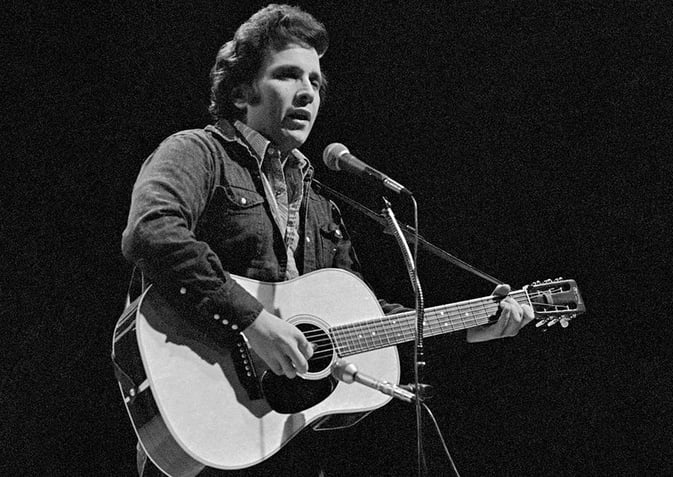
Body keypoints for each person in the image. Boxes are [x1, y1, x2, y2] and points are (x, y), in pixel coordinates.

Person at [122, 4, 534, 476]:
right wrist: (254, 320)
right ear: (240, 93)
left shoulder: (320, 204)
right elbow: (153, 233)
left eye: (315, 83)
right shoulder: (198, 153)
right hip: (208, 419)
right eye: (288, 76)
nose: (307, 93)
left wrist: (475, 323)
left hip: (287, 440)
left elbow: (364, 321)